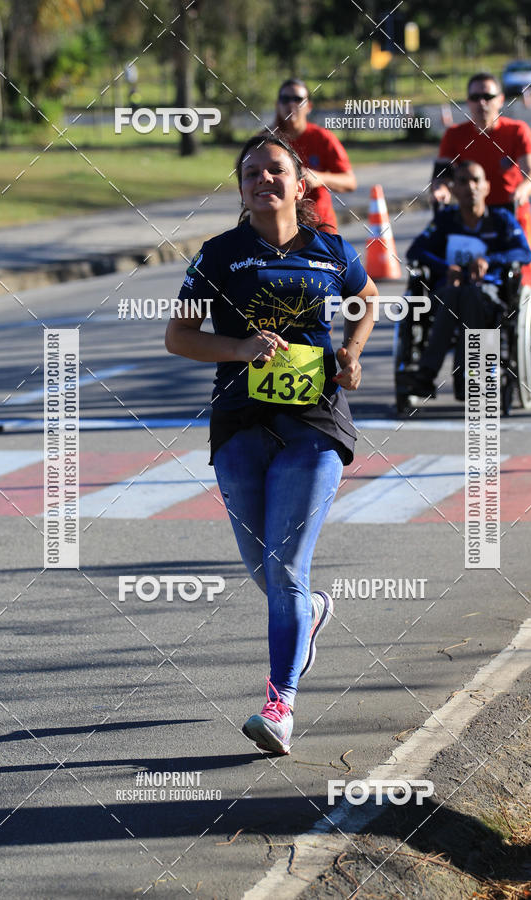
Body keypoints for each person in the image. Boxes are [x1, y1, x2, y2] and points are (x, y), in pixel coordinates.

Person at [165, 135, 376, 755]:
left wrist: (353, 353)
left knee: (284, 566)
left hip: (313, 422)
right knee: (266, 571)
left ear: (302, 181)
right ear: (241, 188)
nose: (264, 180)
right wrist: (239, 349)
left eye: (276, 170)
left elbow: (366, 304)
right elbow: (179, 336)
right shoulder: (219, 254)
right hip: (238, 422)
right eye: (252, 172)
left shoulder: (331, 249)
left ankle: (279, 704)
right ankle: (309, 613)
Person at [407, 160, 531, 401]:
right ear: (454, 189)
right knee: (457, 293)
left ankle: (433, 373)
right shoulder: (446, 220)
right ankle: (460, 375)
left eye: (476, 180)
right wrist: (446, 267)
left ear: (486, 186)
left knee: (471, 293)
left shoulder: (501, 219)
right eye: (463, 181)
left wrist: (489, 260)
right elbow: (416, 251)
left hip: (490, 294)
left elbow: (524, 253)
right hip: (448, 292)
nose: (470, 187)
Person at [430, 72, 531, 286]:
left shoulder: (517, 131)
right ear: (468, 102)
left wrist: (522, 190)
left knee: (518, 275)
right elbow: (439, 177)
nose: (482, 103)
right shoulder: (454, 134)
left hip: (509, 212)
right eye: (475, 97)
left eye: (488, 97)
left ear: (500, 99)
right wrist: (440, 189)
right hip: (470, 215)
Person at [271, 78, 356, 233]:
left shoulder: (323, 138)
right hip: (279, 228)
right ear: (277, 105)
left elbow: (350, 182)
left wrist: (319, 178)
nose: (291, 104)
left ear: (309, 106)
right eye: (285, 99)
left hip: (320, 228)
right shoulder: (268, 141)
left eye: (298, 99)